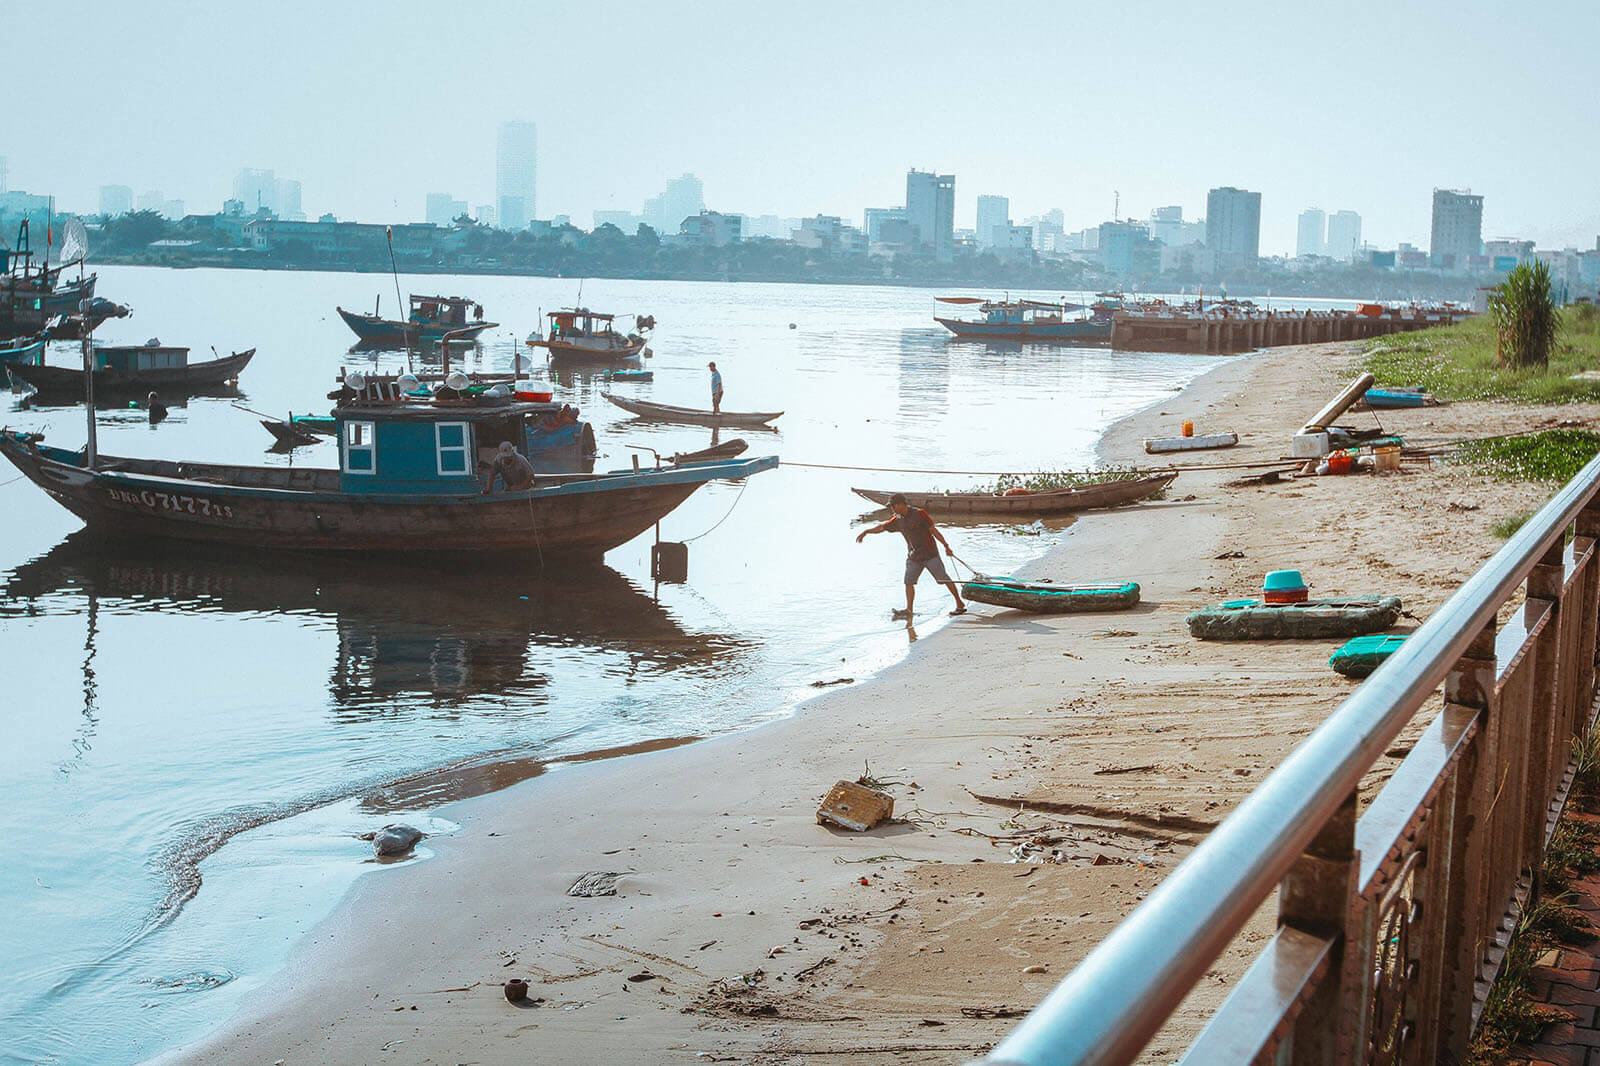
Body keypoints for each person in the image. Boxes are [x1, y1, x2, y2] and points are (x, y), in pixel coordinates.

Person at [856, 492, 967, 618]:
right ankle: (909, 610)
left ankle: (959, 603)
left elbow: (933, 530)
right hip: (914, 557)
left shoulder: (919, 514)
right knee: (908, 582)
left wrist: (946, 546)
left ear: (901, 505)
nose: (892, 509)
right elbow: (882, 527)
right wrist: (867, 532)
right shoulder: (898, 519)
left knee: (943, 579)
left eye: (893, 506)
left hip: (930, 554)